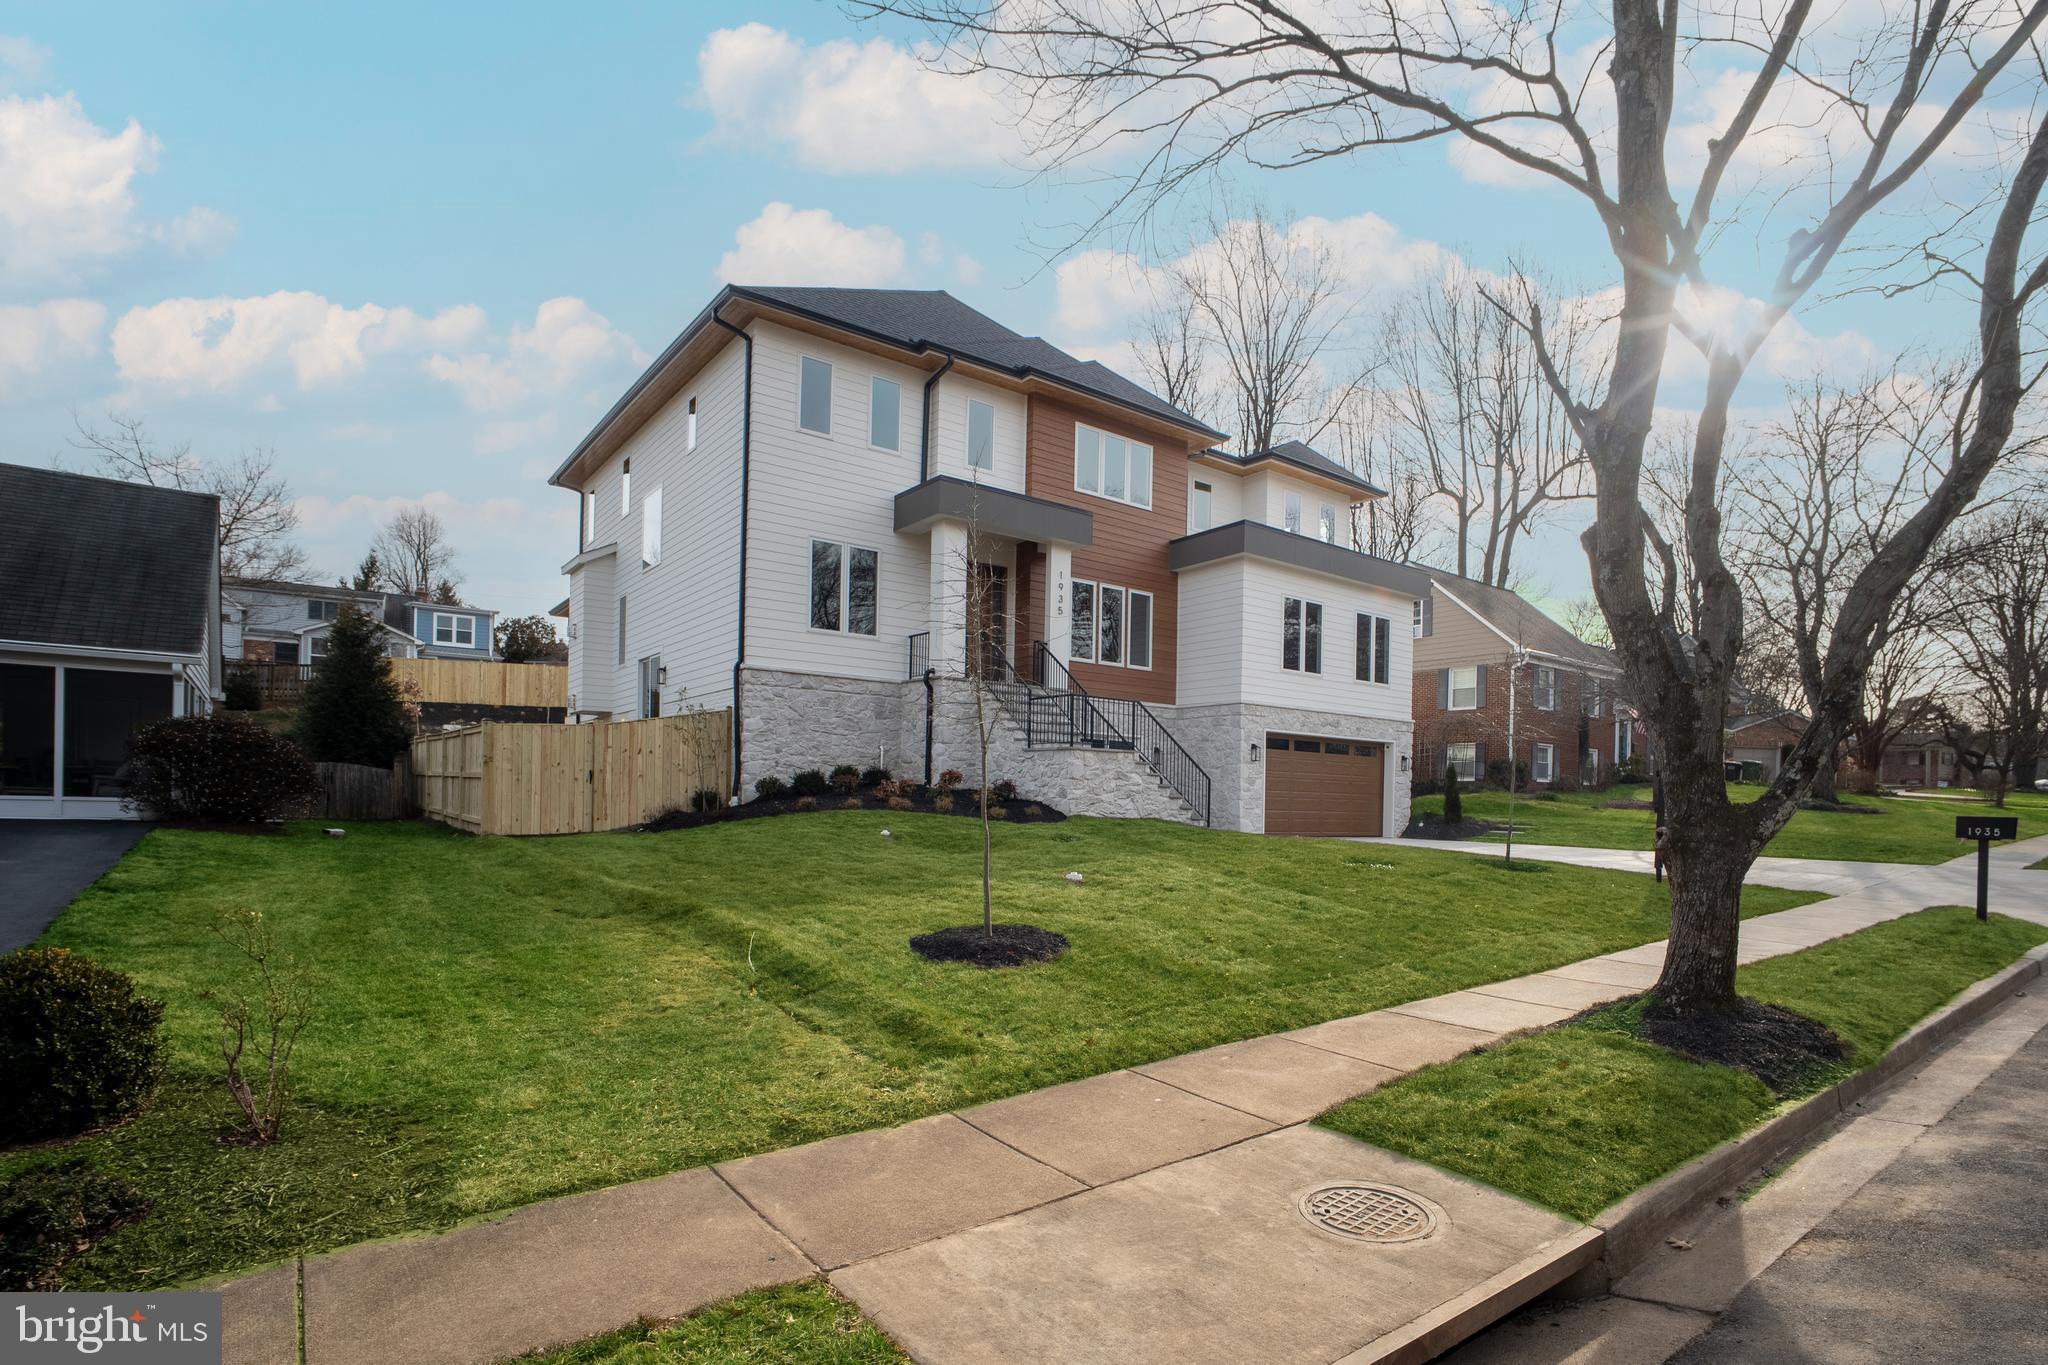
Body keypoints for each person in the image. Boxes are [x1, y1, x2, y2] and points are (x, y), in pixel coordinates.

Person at [1652, 774, 1668, 882]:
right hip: (1662, 822)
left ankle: (1659, 868)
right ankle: (1658, 868)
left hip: (1662, 822)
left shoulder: (1662, 783)